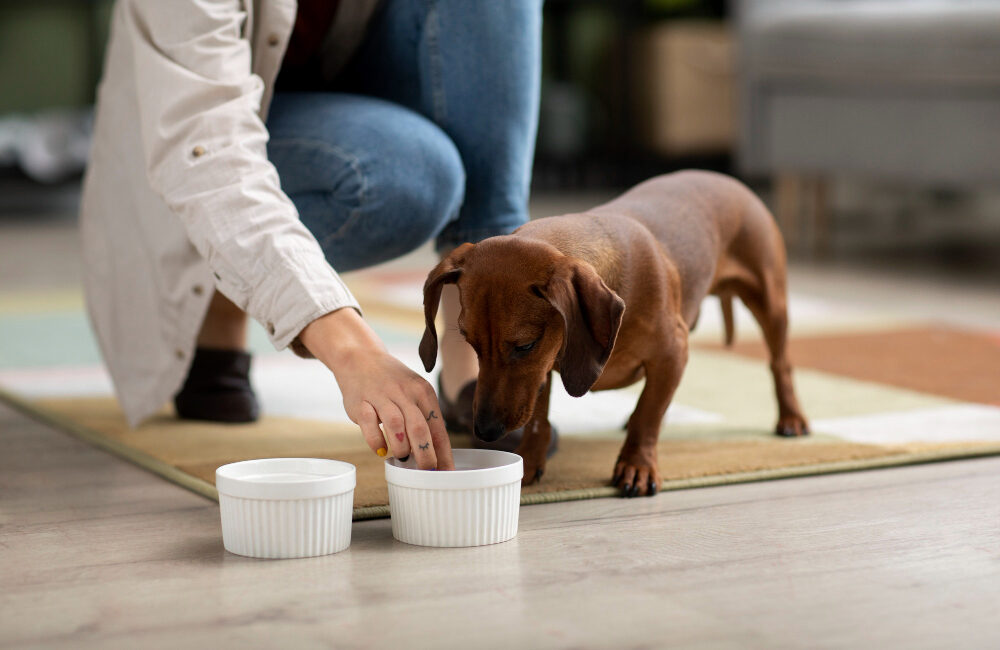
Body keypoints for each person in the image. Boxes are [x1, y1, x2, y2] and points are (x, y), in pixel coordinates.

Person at [79, 0, 542, 471]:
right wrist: (354, 351)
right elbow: (207, 151)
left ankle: (472, 356)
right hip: (205, 139)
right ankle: (216, 301)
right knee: (412, 177)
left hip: (351, 87)